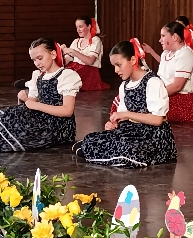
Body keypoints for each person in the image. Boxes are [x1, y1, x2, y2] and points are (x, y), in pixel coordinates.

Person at [0, 38, 81, 153]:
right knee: (8, 114)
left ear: (53, 54)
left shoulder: (66, 75)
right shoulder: (38, 76)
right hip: (41, 119)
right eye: (34, 60)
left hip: (59, 126)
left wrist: (36, 105)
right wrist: (24, 99)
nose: (37, 63)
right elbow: (30, 105)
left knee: (26, 134)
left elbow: (67, 110)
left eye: (40, 58)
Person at [74, 38, 177, 168]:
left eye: (119, 65)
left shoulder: (153, 82)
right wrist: (113, 124)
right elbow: (122, 116)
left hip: (151, 136)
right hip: (131, 131)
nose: (116, 70)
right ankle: (98, 152)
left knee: (127, 149)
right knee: (90, 138)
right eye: (114, 66)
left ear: (133, 60)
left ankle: (99, 154)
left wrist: (127, 114)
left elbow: (157, 120)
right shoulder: (125, 85)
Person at [142, 21, 193, 122]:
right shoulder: (166, 53)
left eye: (163, 36)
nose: (160, 40)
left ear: (175, 37)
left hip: (183, 101)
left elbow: (177, 86)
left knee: (140, 107)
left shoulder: (185, 53)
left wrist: (154, 95)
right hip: (166, 94)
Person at [61, 17, 109, 91]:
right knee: (61, 75)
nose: (78, 30)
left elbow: (90, 61)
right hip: (75, 67)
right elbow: (66, 62)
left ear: (89, 26)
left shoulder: (95, 40)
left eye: (81, 27)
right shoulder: (76, 41)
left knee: (68, 79)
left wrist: (73, 51)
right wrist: (61, 52)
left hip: (89, 71)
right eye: (77, 27)